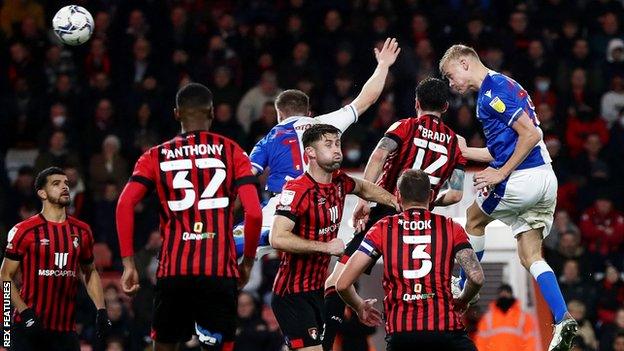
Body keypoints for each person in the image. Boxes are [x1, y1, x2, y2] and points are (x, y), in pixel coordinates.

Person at [439, 44, 577, 350]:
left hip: (522, 177)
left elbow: (531, 135)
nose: (451, 85)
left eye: (450, 76)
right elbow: (503, 147)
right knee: (531, 256)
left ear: (464, 63)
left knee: (474, 220)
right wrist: (465, 152)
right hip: (543, 179)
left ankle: (465, 287)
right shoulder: (506, 84)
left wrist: (500, 174)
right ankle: (563, 316)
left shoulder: (492, 91)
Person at [116, 83, 262, 351]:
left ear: (176, 114)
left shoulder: (154, 156)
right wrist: (248, 262)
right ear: (213, 113)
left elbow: (125, 204)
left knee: (165, 346)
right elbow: (253, 213)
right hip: (219, 270)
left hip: (174, 271)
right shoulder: (232, 151)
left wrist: (128, 263)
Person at [324, 77, 467, 349]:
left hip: (387, 217)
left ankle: (325, 346)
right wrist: (428, 201)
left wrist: (364, 200)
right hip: (425, 223)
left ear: (416, 103)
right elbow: (457, 194)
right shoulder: (453, 143)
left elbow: (378, 157)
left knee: (336, 282)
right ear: (446, 107)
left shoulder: (404, 126)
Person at [232, 38, 401, 261]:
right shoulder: (323, 124)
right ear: (308, 112)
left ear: (279, 115)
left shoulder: (270, 138)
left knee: (225, 246)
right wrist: (383, 66)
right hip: (321, 209)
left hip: (283, 207)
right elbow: (365, 100)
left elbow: (244, 179)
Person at [269, 124, 399, 351]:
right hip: (292, 294)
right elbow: (277, 238)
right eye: (328, 144)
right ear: (310, 152)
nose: (337, 149)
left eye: (338, 143)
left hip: (316, 292)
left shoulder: (339, 181)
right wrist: (325, 247)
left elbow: (364, 187)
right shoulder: (298, 189)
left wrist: (398, 205)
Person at [336, 169, 483, 351]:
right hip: (446, 330)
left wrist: (359, 306)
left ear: (398, 196)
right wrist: (462, 299)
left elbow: (342, 284)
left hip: (402, 334)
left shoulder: (383, 228)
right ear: (430, 195)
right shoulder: (451, 227)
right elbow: (476, 277)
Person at [0, 167, 111, 351]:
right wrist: (25, 312)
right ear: (42, 193)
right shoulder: (23, 230)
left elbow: (89, 272)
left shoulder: (82, 231)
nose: (64, 187)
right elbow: (4, 276)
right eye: (56, 183)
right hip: (28, 327)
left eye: (66, 183)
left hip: (65, 332)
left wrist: (101, 309)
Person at [474, 284, 538, 351]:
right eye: (501, 293)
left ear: (511, 294)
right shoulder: (487, 318)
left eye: (506, 292)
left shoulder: (524, 317)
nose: (504, 295)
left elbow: (530, 341)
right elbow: (480, 342)